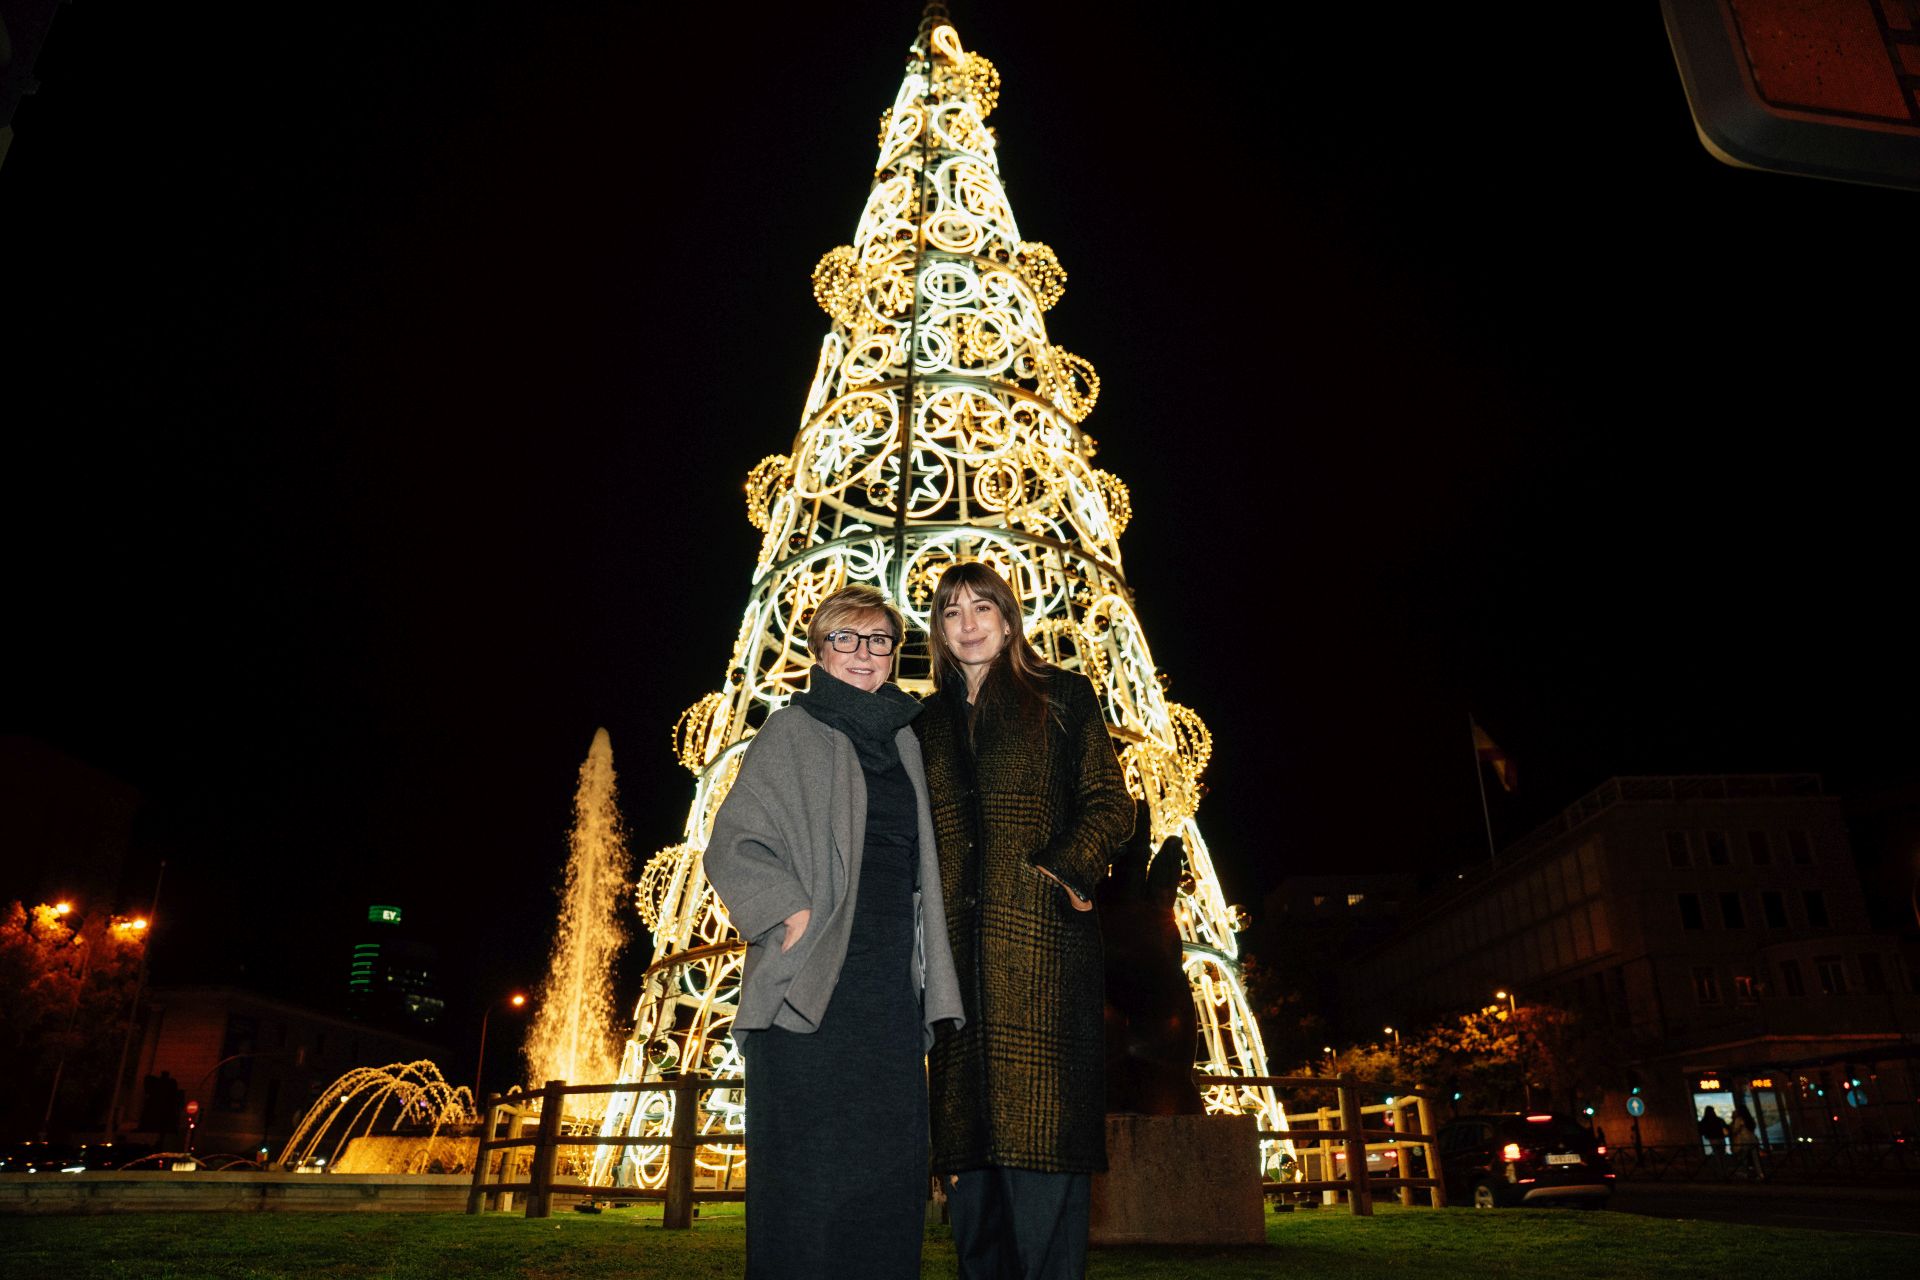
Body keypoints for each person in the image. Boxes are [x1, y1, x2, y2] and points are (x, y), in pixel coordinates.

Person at [702, 583, 965, 1280]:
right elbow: (733, 843)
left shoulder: (908, 741)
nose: (863, 653)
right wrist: (789, 913)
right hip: (811, 990)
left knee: (887, 1182)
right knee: (808, 1188)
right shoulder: (794, 730)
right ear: (819, 652)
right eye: (845, 638)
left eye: (879, 640)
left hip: (888, 995)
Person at [916, 561, 1136, 1280]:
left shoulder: (1062, 696)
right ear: (940, 631)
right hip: (955, 981)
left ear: (1010, 620)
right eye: (952, 613)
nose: (969, 624)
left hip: (1042, 960)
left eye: (983, 608)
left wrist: (1059, 871)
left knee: (1044, 1170)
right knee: (975, 1207)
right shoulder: (924, 726)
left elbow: (1112, 805)